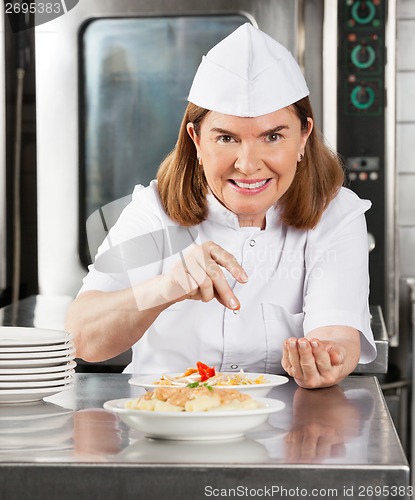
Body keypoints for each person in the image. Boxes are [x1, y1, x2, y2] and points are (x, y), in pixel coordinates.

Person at [65, 23, 376, 389]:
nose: (247, 164)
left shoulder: (336, 214)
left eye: (273, 136)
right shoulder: (153, 210)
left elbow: (337, 334)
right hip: (165, 426)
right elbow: (81, 338)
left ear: (304, 135)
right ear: (196, 139)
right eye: (226, 137)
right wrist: (166, 288)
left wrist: (323, 359)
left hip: (286, 433)